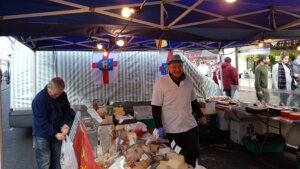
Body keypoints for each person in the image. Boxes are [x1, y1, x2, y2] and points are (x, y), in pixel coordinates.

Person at [151, 54, 207, 167]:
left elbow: (193, 101)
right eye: (174, 67)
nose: (177, 70)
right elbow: (156, 107)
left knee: (194, 151)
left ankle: (191, 166)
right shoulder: (160, 83)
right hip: (172, 128)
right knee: (176, 155)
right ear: (168, 68)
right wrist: (159, 126)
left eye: (180, 66)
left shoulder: (188, 81)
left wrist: (201, 115)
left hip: (189, 125)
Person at [32, 77, 71, 169]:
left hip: (57, 131)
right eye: (55, 94)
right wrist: (55, 133)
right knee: (44, 162)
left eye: (59, 94)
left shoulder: (62, 95)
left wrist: (65, 124)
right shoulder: (39, 100)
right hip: (42, 134)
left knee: (58, 160)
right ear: (48, 87)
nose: (57, 96)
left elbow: (66, 111)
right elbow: (42, 122)